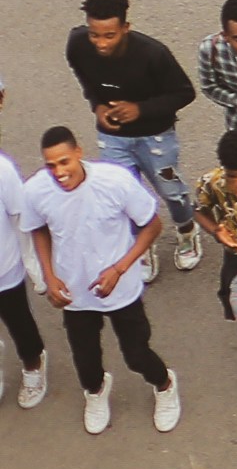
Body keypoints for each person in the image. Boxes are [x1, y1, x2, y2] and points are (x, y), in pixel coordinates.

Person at [20, 127, 177, 433]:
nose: (59, 172)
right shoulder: (36, 191)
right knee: (86, 360)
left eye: (64, 162)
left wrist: (119, 269)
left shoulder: (114, 181)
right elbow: (37, 228)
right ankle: (95, 392)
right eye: (51, 165)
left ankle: (165, 385)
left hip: (122, 289)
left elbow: (152, 226)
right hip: (75, 293)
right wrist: (50, 277)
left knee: (137, 354)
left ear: (79, 152)